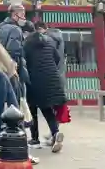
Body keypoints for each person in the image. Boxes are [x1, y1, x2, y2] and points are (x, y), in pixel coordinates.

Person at [24, 21, 66, 152]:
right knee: (47, 109)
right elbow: (58, 58)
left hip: (34, 80)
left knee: (32, 111)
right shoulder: (48, 41)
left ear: (26, 32)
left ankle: (35, 139)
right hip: (52, 79)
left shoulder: (26, 43)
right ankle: (55, 133)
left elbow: (23, 61)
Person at [0, 4, 30, 93]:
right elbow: (14, 51)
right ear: (14, 15)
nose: (24, 18)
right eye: (22, 15)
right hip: (11, 71)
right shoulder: (15, 29)